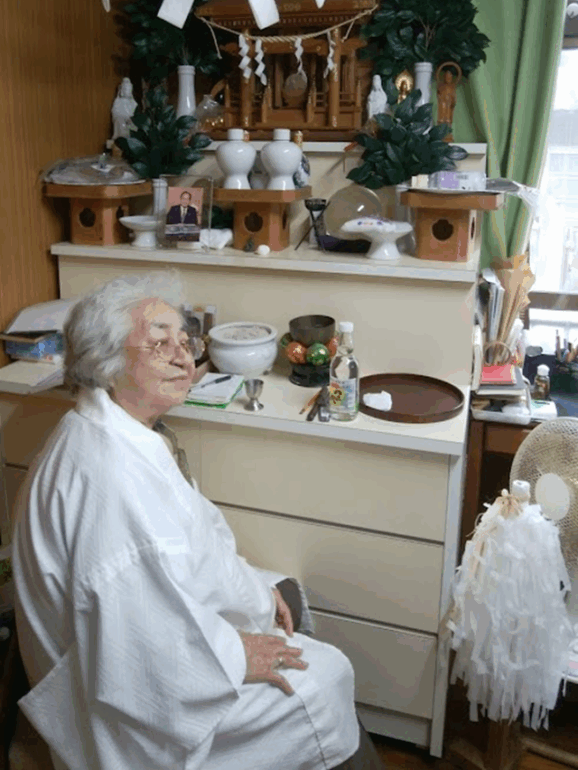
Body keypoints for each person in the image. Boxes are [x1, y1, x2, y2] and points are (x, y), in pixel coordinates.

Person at [12, 274, 382, 770]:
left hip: (142, 638)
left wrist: (253, 588)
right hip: (125, 708)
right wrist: (235, 654)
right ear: (106, 360)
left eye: (186, 342)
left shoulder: (112, 427)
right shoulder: (111, 475)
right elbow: (144, 646)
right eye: (159, 343)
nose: (183, 357)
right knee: (326, 675)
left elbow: (193, 541)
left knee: (282, 590)